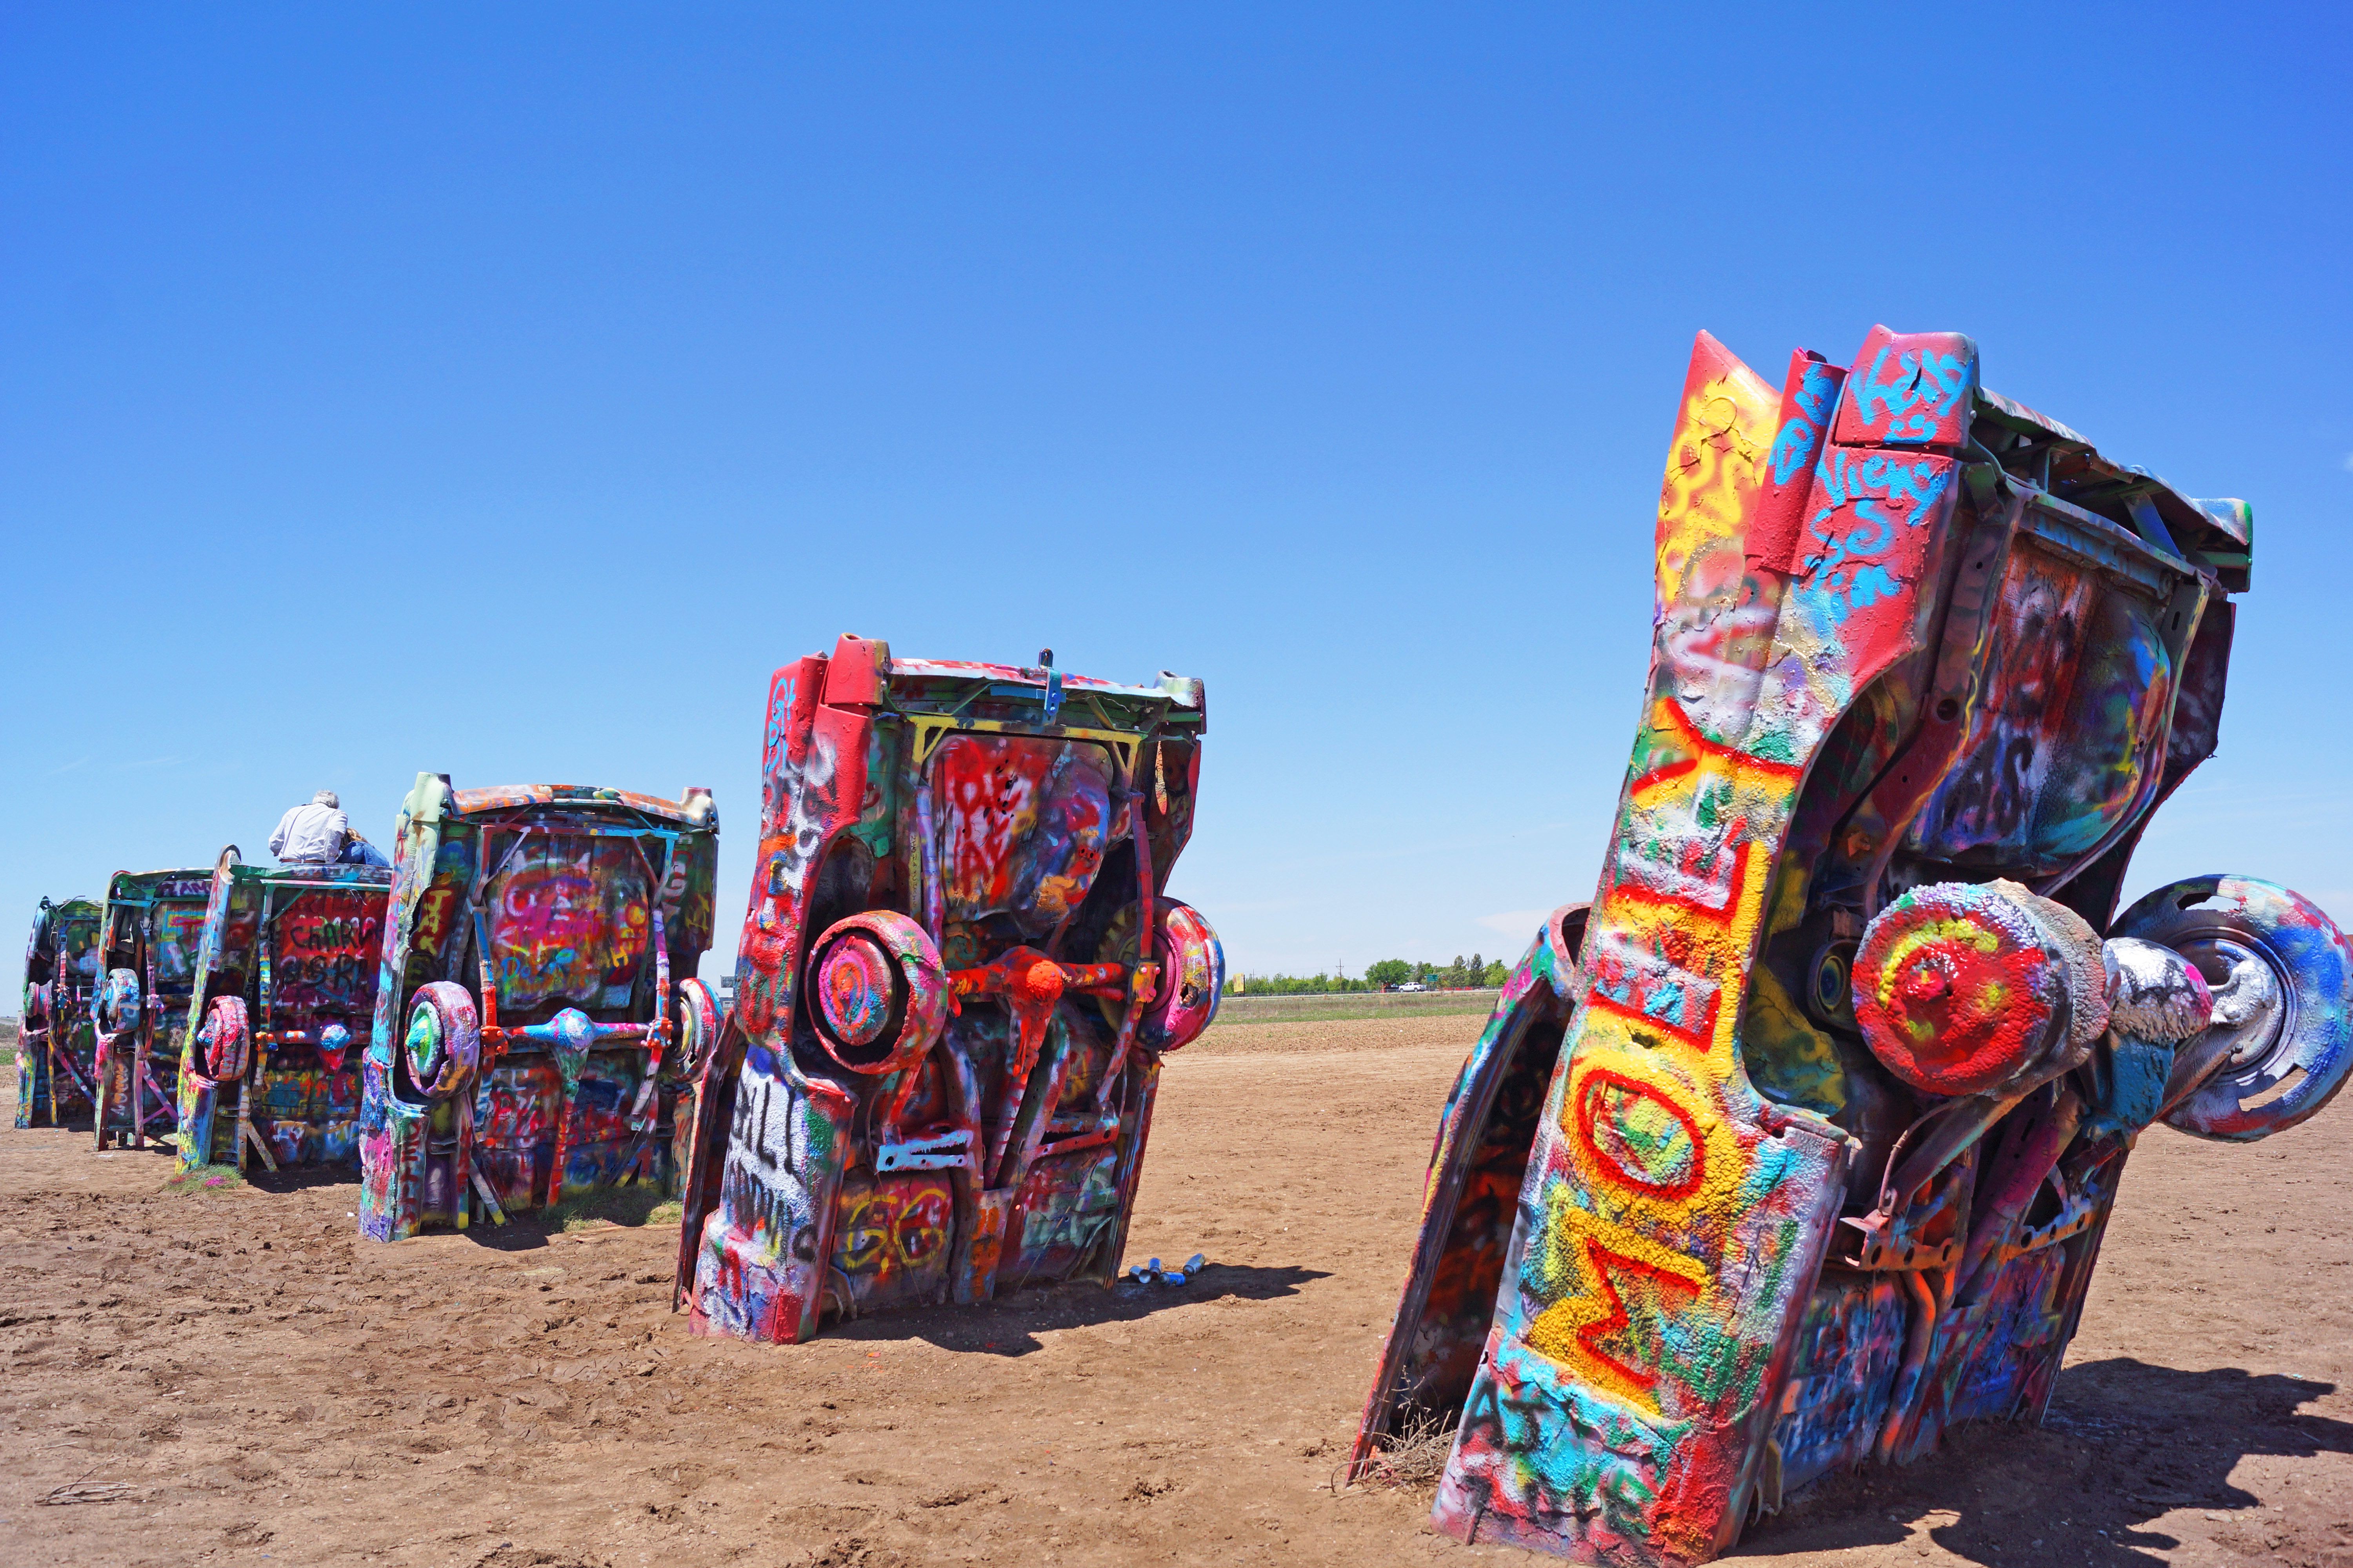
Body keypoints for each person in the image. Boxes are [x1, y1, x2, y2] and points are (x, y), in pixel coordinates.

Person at [269, 790, 390, 867]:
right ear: (335, 807)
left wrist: (286, 854)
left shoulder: (293, 812)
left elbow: (274, 843)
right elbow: (332, 834)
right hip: (315, 867)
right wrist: (331, 862)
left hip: (288, 865)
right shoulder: (337, 814)